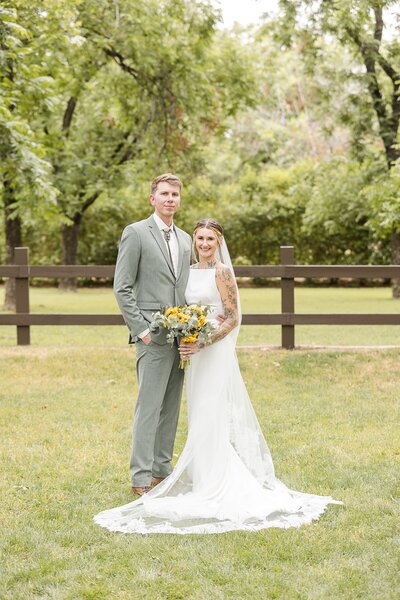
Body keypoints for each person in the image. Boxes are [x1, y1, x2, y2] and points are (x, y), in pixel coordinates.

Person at [95, 218, 342, 534]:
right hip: (192, 352)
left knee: (211, 409)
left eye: (210, 239)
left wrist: (202, 341)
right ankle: (200, 476)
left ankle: (216, 480)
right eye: (200, 238)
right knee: (197, 412)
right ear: (194, 241)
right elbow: (182, 305)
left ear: (219, 242)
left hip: (211, 352)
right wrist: (186, 334)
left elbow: (233, 317)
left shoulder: (223, 272)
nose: (204, 244)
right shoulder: (189, 271)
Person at [112, 173, 192, 495]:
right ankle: (140, 477)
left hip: (180, 337)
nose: (170, 199)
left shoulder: (185, 238)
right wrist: (141, 330)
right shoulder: (135, 233)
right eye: (164, 194)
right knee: (149, 408)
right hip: (152, 336)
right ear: (153, 198)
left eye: (175, 194)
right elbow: (122, 287)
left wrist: (192, 328)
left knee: (170, 407)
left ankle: (162, 470)